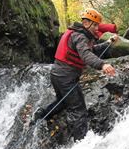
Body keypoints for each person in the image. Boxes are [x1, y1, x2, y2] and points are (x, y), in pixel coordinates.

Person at [31, 8, 119, 141]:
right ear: (86, 23)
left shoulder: (77, 34)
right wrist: (103, 64)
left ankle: (41, 114)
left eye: (97, 25)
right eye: (94, 25)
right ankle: (81, 143)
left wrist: (108, 42)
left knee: (63, 101)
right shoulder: (80, 36)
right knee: (79, 110)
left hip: (57, 74)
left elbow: (91, 50)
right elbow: (86, 55)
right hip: (66, 77)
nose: (96, 28)